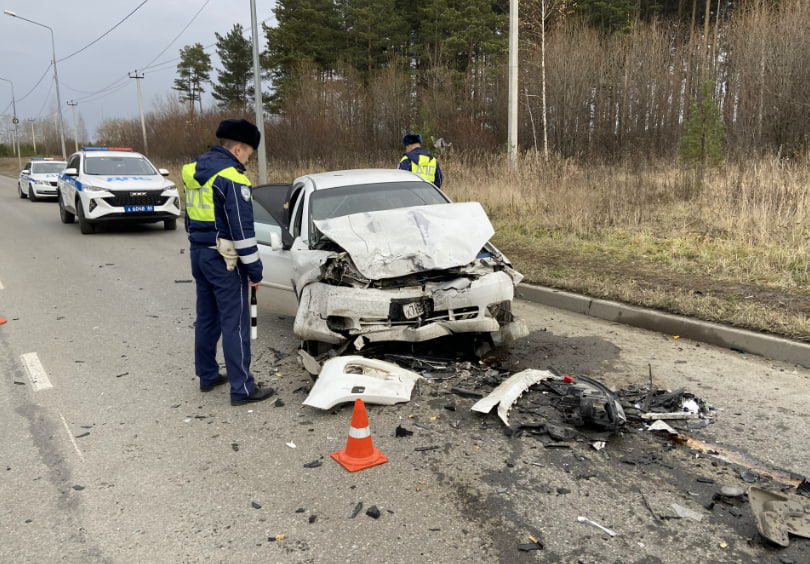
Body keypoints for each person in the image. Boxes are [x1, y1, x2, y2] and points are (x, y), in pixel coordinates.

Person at [182, 118, 274, 406]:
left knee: (207, 318)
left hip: (199, 253)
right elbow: (243, 232)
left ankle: (208, 374)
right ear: (238, 148)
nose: (247, 159)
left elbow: (189, 217)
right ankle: (243, 389)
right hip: (225, 259)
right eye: (248, 153)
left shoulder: (193, 170)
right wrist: (255, 271)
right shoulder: (232, 178)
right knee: (235, 323)